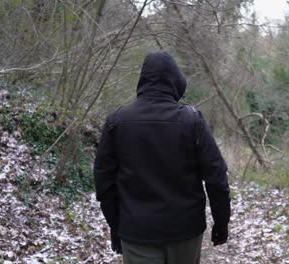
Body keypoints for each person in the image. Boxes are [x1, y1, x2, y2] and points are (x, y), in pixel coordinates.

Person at [94, 50, 231, 264]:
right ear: (175, 81)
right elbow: (217, 178)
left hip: (137, 232)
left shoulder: (117, 122)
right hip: (186, 231)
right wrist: (221, 222)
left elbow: (104, 183)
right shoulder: (192, 121)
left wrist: (117, 225)